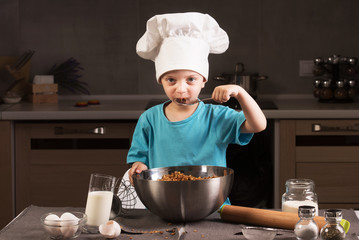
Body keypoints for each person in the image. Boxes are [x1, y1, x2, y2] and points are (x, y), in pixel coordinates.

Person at [127, 13, 266, 191]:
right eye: (171, 80)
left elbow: (258, 125)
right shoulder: (149, 119)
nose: (181, 89)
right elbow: (140, 160)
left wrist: (240, 92)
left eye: (190, 79)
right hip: (163, 203)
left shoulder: (216, 116)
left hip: (212, 203)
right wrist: (138, 166)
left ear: (203, 81)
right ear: (160, 80)